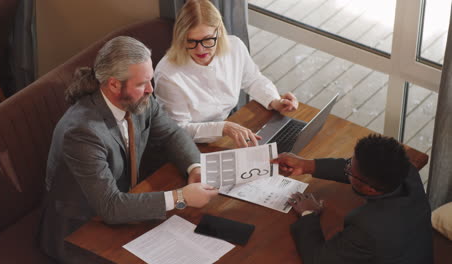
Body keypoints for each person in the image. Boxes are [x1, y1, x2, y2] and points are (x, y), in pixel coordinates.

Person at [39, 36, 219, 263]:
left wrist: (194, 167)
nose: (150, 89)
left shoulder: (139, 100)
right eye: (142, 83)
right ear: (114, 84)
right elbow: (111, 208)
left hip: (124, 205)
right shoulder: (82, 133)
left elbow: (172, 133)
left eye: (150, 80)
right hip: (80, 230)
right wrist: (181, 197)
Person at [154, 0, 299, 148]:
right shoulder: (168, 75)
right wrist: (223, 127)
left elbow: (253, 80)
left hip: (226, 136)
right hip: (189, 146)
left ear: (219, 32)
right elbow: (179, 129)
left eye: (207, 39)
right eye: (191, 41)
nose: (200, 50)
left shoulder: (235, 47)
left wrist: (275, 101)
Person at [271, 134, 433, 264]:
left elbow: (318, 259)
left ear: (370, 188)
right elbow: (360, 170)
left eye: (349, 171)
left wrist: (308, 213)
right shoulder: (406, 171)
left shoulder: (368, 228)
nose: (346, 168)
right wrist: (306, 165)